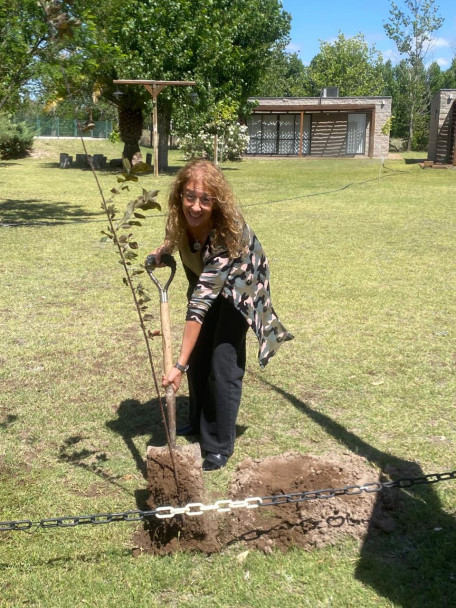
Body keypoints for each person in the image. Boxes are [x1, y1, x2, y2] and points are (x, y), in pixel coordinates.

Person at [152, 159, 293, 471]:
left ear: (217, 202)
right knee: (200, 355)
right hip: (204, 277)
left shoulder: (226, 236)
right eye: (190, 196)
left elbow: (199, 307)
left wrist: (178, 365)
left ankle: (217, 443)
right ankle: (198, 419)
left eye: (205, 200)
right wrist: (163, 250)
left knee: (222, 360)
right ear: (180, 196)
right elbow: (178, 234)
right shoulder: (179, 215)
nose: (196, 206)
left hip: (240, 286)